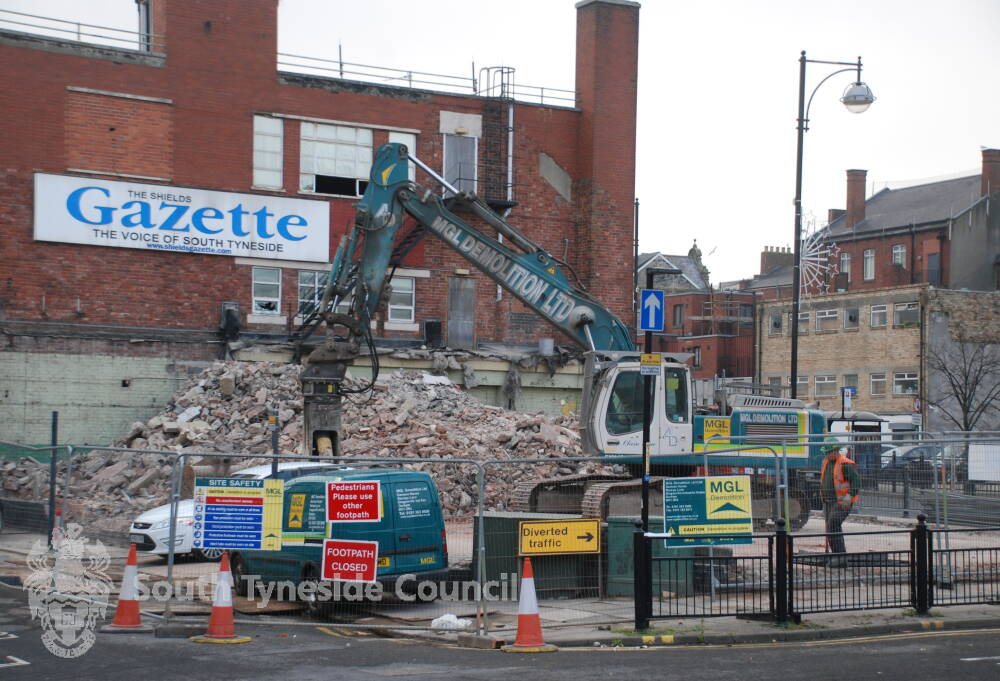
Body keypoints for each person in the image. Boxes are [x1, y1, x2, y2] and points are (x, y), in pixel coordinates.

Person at [819, 438, 860, 561]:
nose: (826, 455)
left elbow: (856, 481)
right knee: (831, 528)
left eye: (828, 452)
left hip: (842, 502)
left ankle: (840, 556)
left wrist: (850, 495)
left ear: (835, 451)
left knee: (833, 524)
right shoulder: (826, 462)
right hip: (828, 501)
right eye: (825, 453)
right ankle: (837, 555)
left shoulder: (845, 464)